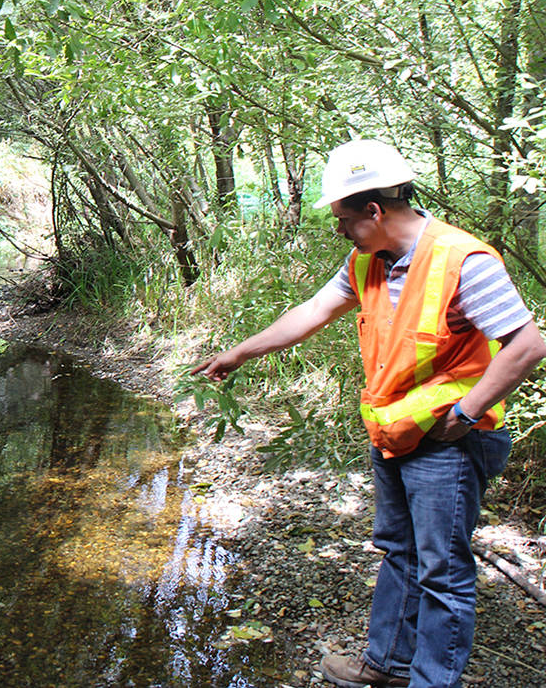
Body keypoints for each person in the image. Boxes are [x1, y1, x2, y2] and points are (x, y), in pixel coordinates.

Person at [191, 139, 546, 688]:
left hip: (451, 437)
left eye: (343, 219)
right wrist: (241, 351)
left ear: (375, 211)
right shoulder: (368, 261)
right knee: (400, 552)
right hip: (395, 429)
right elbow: (312, 311)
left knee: (442, 572)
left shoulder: (463, 260)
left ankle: (432, 680)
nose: (341, 231)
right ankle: (385, 667)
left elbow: (526, 345)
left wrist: (469, 413)